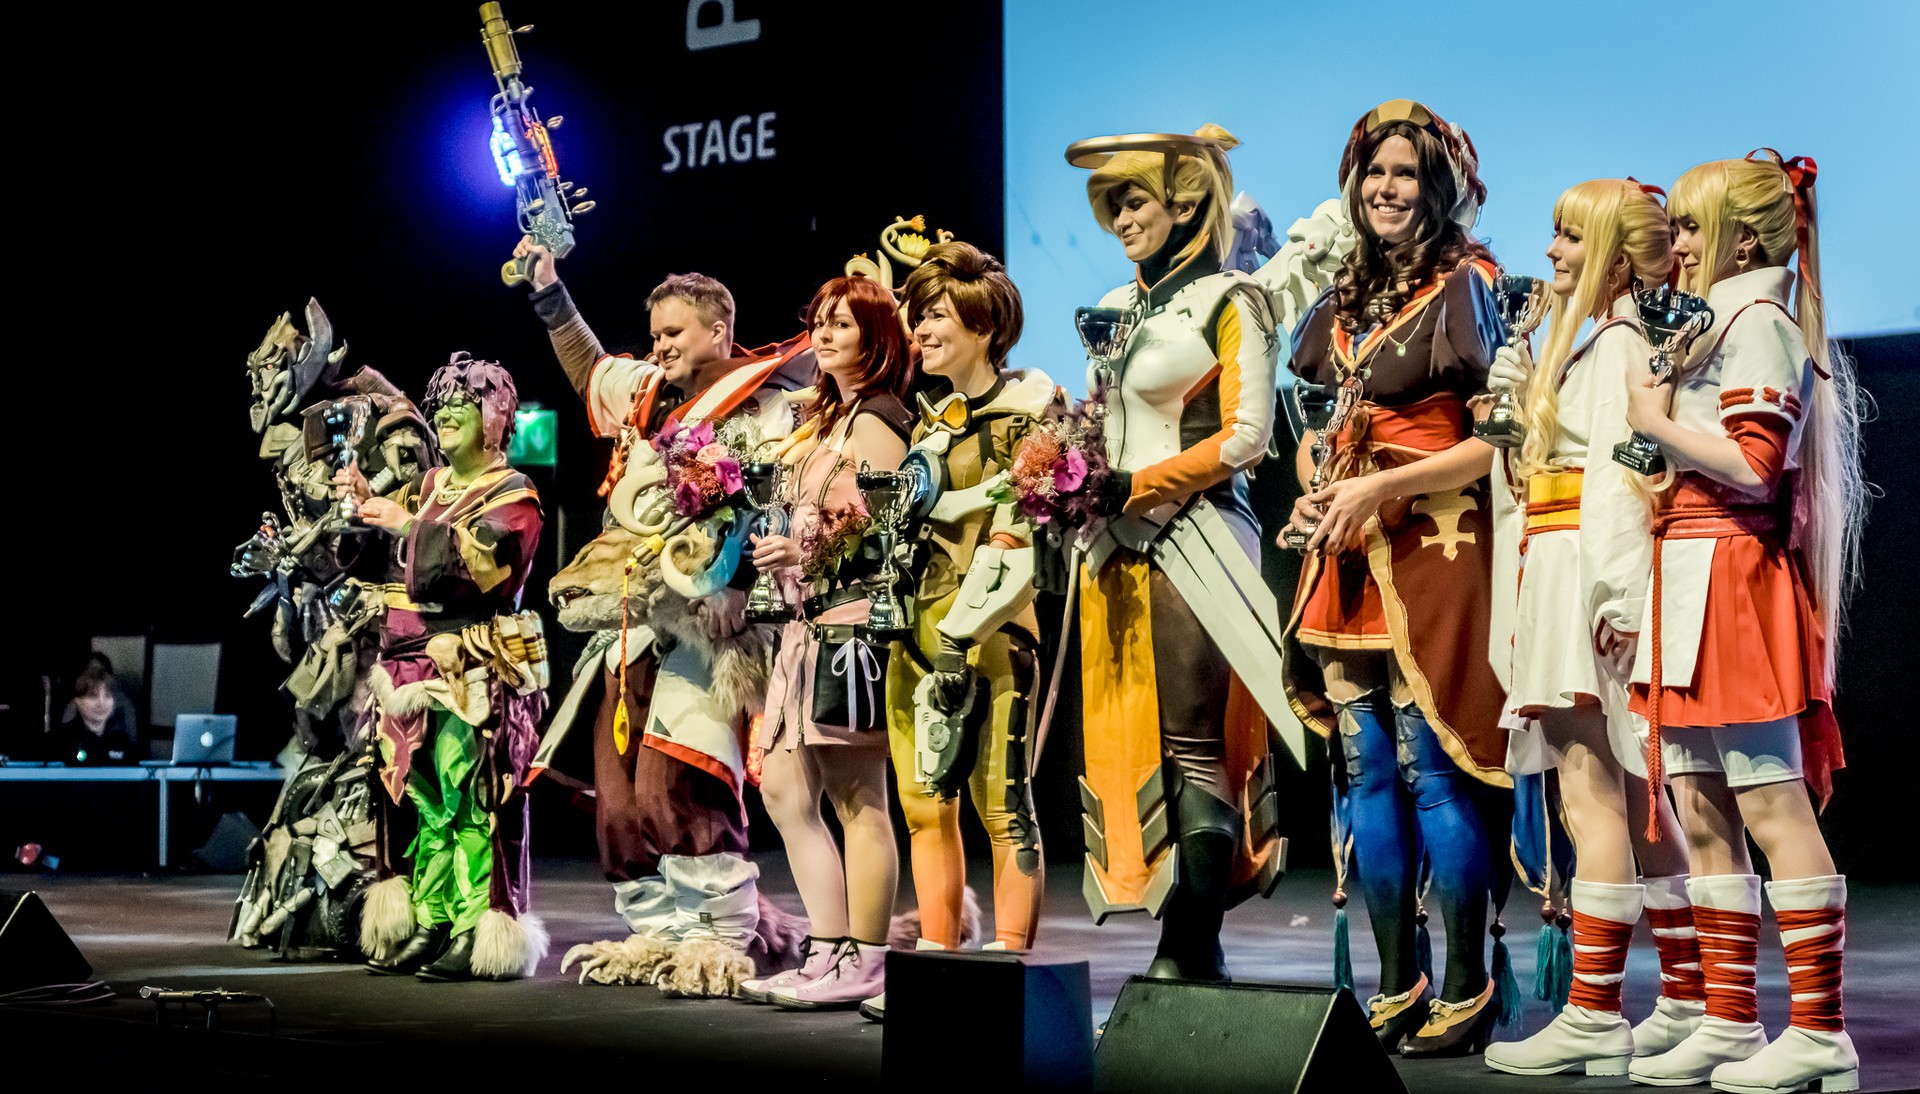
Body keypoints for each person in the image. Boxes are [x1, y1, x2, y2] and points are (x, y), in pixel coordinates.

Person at [1619, 151, 1864, 1094]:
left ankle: (1822, 1032)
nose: (1674, 243)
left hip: (1730, 578)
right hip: (1687, 574)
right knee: (1702, 805)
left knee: (1769, 804)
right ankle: (1729, 1019)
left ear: (1745, 241)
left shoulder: (1758, 322)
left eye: (1690, 226)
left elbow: (1755, 468)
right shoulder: (1714, 323)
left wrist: (1654, 421)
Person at [516, 235, 809, 996]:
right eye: (655, 335)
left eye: (675, 332)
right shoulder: (650, 394)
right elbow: (590, 368)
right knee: (617, 798)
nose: (661, 346)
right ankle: (658, 933)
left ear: (719, 328)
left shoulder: (771, 406)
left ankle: (718, 938)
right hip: (634, 619)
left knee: (678, 778)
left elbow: (783, 508)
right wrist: (549, 291)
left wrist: (741, 587)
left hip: (709, 625)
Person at [1278, 99, 1508, 1056]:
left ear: (1438, 187)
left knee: (1430, 768)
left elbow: (1495, 443)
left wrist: (1384, 486)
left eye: (1406, 173)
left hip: (1434, 545)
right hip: (1347, 550)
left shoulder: (1472, 284)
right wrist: (1315, 486)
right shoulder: (1342, 295)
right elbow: (1321, 430)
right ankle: (1396, 980)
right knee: (1365, 767)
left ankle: (1466, 985)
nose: (1386, 189)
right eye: (1374, 173)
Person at [1479, 179, 1701, 1078]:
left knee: (1593, 792)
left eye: (1570, 237)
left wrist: (1616, 598)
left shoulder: (1613, 343)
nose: (1552, 251)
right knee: (1636, 798)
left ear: (1611, 251)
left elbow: (1619, 478)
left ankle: (1596, 1012)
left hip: (1582, 571)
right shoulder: (1602, 340)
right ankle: (1687, 999)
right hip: (1568, 565)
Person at [1067, 124, 1288, 982]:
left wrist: (1138, 484)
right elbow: (1099, 420)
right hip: (1117, 546)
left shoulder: (1233, 299)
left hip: (1201, 534)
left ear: (1186, 204)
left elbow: (1246, 437)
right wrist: (1065, 472)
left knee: (1195, 745)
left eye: (1136, 202)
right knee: (1141, 745)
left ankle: (1190, 944)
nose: (1123, 220)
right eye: (1114, 207)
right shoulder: (1115, 307)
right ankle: (1191, 944)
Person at [863, 241, 1057, 1019]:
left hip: (995, 634)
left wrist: (962, 631)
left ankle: (1007, 965)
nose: (921, 329)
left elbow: (1019, 540)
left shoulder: (1031, 417)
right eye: (918, 315)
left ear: (984, 325)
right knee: (923, 804)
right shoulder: (929, 427)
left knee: (1000, 803)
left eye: (937, 315)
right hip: (915, 631)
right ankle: (937, 964)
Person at [736, 274, 912, 1010]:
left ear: (877, 336)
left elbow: (888, 532)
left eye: (843, 323)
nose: (826, 334)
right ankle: (828, 948)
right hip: (802, 627)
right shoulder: (826, 420)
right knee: (783, 790)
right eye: (821, 322)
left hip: (850, 625)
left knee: (858, 797)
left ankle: (865, 959)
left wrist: (804, 553)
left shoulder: (880, 417)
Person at [347, 352, 550, 982]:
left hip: (469, 667)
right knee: (424, 799)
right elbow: (391, 562)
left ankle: (474, 923)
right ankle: (434, 916)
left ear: (495, 415)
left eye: (462, 403)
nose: (445, 415)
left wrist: (409, 525)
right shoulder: (430, 486)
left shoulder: (515, 493)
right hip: (405, 667)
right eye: (440, 405)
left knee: (473, 797)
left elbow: (483, 568)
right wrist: (367, 510)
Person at [52, 660, 139, 765]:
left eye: (107, 696)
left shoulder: (123, 742)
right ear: (77, 701)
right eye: (93, 696)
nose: (101, 703)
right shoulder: (58, 741)